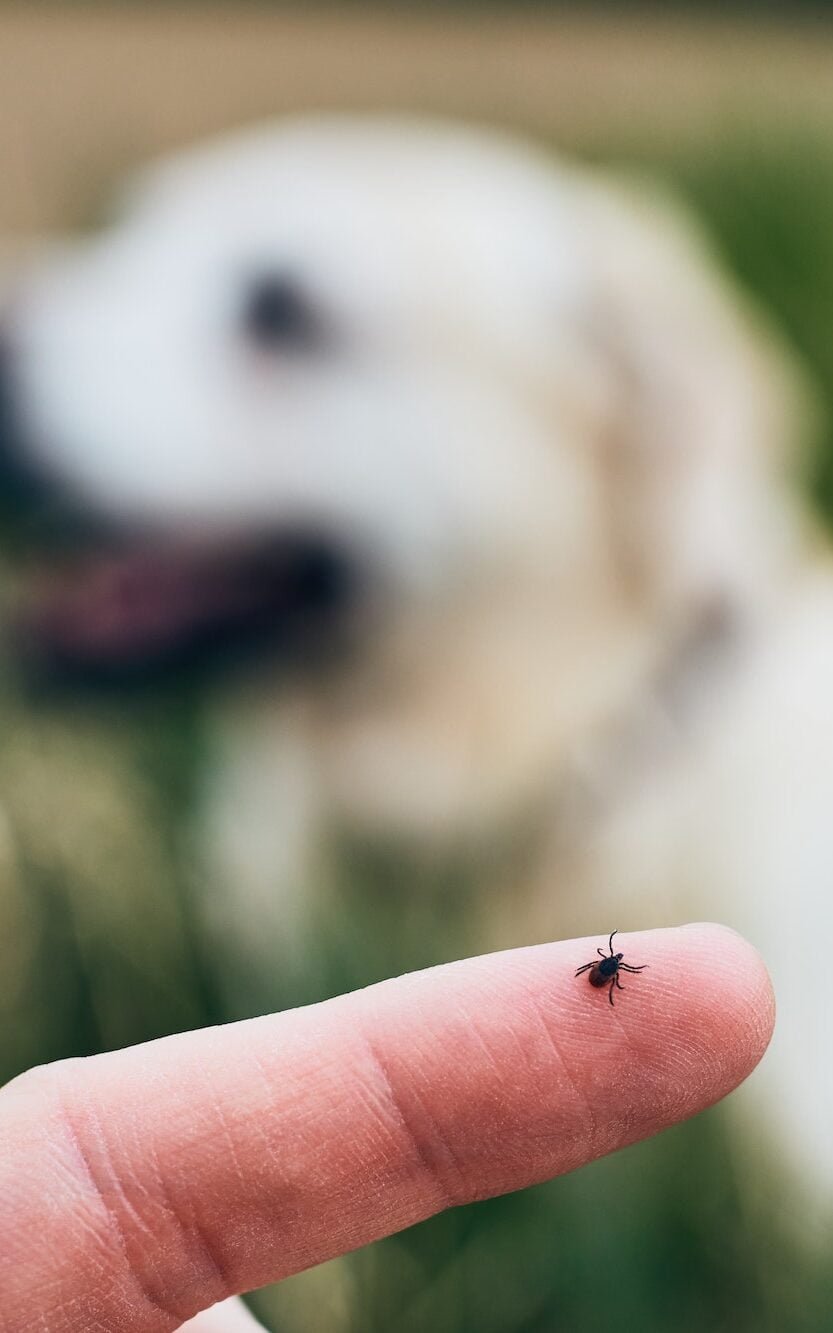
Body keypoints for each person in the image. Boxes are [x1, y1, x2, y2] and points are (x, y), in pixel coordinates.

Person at [0, 924, 772, 1332]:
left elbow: (594, 979)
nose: (608, 970)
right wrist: (602, 988)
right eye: (607, 965)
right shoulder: (610, 975)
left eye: (609, 967)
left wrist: (593, 978)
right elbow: (602, 985)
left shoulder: (599, 968)